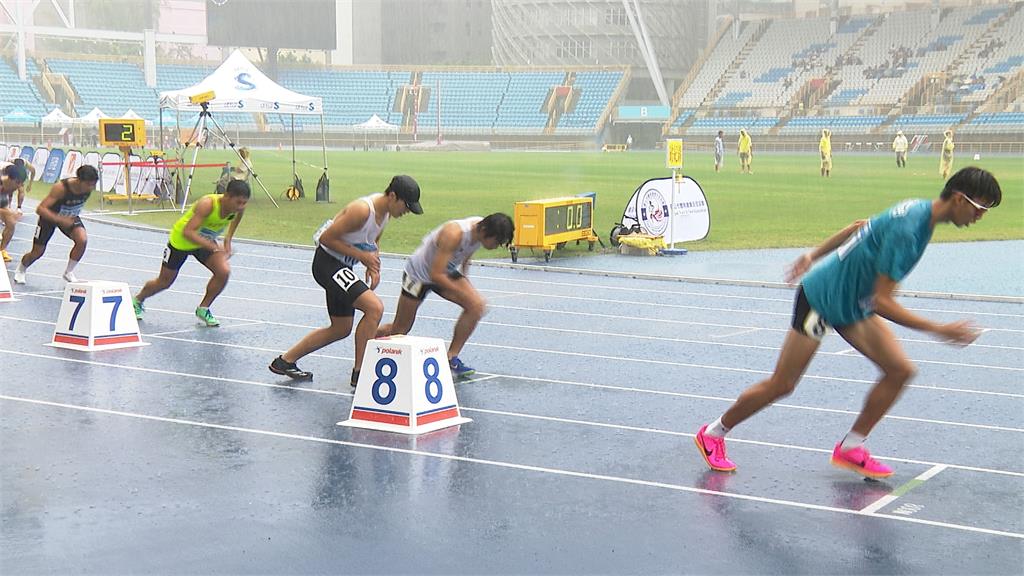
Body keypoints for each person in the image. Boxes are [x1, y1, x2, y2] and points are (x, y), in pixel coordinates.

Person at [694, 167, 1001, 479]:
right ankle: (713, 433)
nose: (980, 217)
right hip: (822, 301)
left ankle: (851, 447)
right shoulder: (909, 230)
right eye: (980, 209)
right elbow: (883, 301)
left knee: (900, 370)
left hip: (853, 304)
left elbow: (859, 226)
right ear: (960, 199)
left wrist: (813, 254)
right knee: (782, 384)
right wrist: (939, 329)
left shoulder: (919, 210)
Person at [269, 175, 423, 386]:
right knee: (374, 308)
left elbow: (373, 241)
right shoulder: (361, 210)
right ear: (393, 196)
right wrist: (362, 257)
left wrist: (373, 265)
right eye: (406, 206)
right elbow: (326, 239)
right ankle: (360, 374)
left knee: (341, 328)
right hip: (327, 264)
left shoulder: (385, 214)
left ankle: (284, 361)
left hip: (342, 266)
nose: (406, 212)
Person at [376, 213, 514, 379]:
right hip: (418, 275)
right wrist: (462, 292)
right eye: (497, 242)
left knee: (476, 306)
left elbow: (466, 255)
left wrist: (465, 280)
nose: (496, 246)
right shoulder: (454, 234)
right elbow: (436, 275)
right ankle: (370, 336)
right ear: (485, 231)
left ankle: (451, 357)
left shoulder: (481, 232)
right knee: (400, 329)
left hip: (444, 271)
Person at [132, 180, 250, 327]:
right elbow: (188, 232)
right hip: (181, 241)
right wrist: (214, 247)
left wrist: (228, 239)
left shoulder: (238, 209)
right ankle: (137, 300)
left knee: (223, 271)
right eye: (238, 202)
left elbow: (236, 219)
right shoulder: (207, 204)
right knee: (164, 282)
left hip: (204, 242)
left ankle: (203, 308)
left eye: (244, 203)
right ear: (226, 196)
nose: (240, 207)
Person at [13, 165, 99, 284]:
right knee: (38, 252)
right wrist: (59, 219)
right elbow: (40, 209)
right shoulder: (61, 188)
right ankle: (22, 268)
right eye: (89, 184)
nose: (92, 188)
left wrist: (66, 219)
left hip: (70, 216)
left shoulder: (88, 188)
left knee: (82, 240)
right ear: (79, 180)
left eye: (94, 184)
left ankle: (68, 272)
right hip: (49, 218)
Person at [0, 161, 30, 263]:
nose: (19, 186)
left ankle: (2, 249)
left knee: (11, 223)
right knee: (9, 215)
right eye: (18, 183)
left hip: (2, 197)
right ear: (11, 179)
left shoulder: (12, 183)